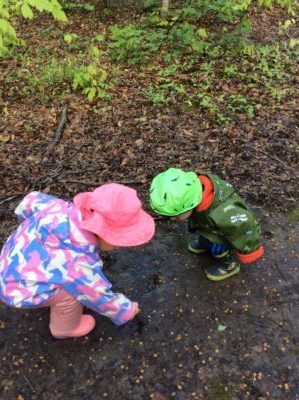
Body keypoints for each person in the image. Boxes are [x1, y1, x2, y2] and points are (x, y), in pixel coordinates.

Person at [0, 184, 155, 338]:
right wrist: (125, 310)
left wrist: (28, 229)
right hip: (16, 291)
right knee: (73, 293)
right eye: (118, 240)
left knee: (68, 279)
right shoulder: (77, 262)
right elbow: (96, 294)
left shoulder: (58, 208)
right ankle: (65, 329)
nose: (118, 246)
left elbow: (29, 201)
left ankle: (45, 285)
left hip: (9, 260)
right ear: (100, 232)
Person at [150, 168, 264, 281]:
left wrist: (249, 249)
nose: (172, 218)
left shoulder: (225, 213)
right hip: (207, 225)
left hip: (220, 232)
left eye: (175, 215)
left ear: (191, 204)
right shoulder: (194, 190)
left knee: (217, 248)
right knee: (204, 234)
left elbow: (244, 227)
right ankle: (204, 242)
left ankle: (228, 265)